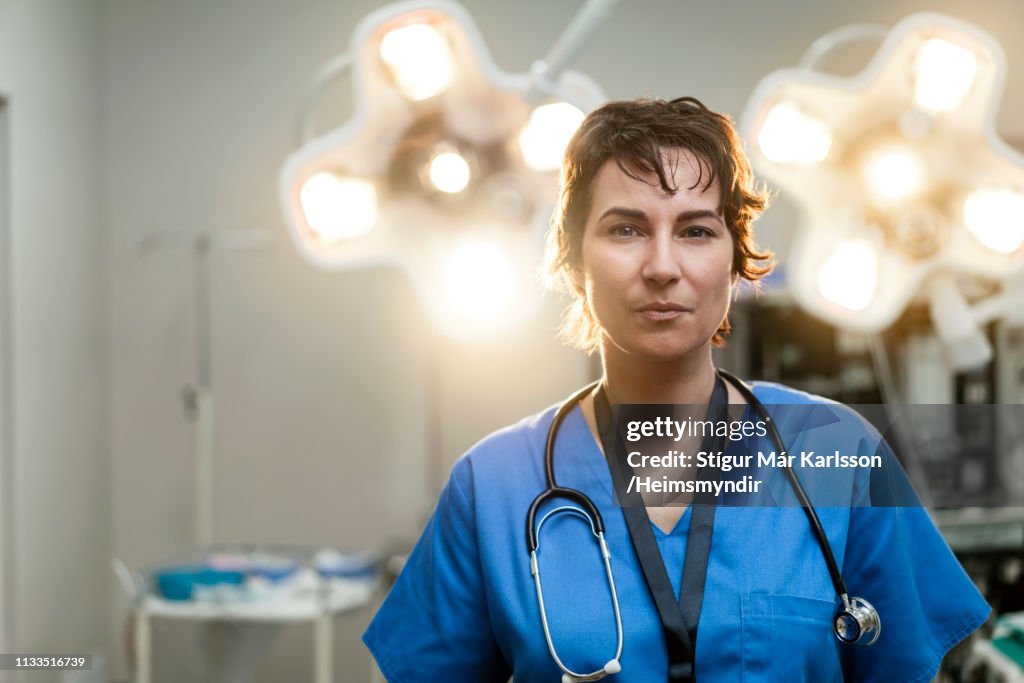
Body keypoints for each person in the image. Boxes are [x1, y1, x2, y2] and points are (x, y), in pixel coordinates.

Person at [363, 97, 990, 681]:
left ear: (735, 259)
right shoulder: (493, 485)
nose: (662, 266)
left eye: (695, 231)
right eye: (626, 229)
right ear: (574, 261)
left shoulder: (835, 452)